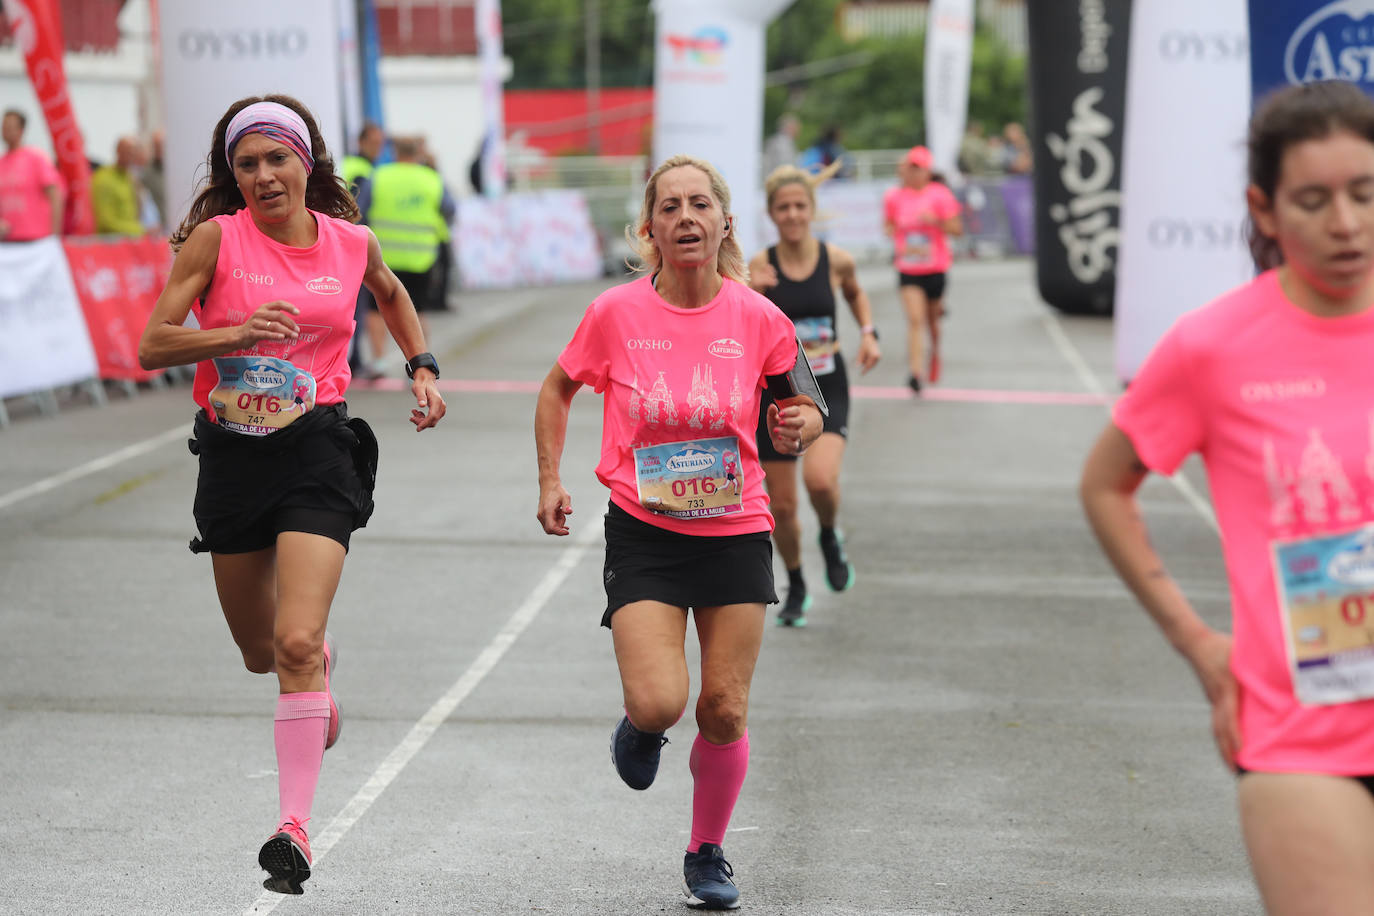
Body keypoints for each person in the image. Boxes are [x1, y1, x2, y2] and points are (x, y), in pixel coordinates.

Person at [136, 94, 446, 896]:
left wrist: (422, 366)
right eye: (247, 164)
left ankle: (294, 831)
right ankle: (314, 669)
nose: (264, 175)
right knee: (259, 652)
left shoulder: (352, 240)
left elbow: (392, 291)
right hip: (234, 454)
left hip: (318, 447)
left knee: (296, 644)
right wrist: (232, 334)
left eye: (277, 158)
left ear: (306, 160)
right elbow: (152, 343)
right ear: (231, 176)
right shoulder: (216, 239)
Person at [1080, 80, 1374, 916]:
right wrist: (1200, 644)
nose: (1346, 222)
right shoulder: (1216, 348)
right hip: (1303, 738)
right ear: (1267, 208)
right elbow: (1106, 485)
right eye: (1314, 200)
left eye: (1365, 193)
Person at [534, 154, 824, 910]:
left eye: (700, 204)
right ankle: (640, 726)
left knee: (724, 708)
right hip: (647, 533)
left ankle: (707, 852)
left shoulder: (759, 316)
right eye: (671, 207)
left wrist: (805, 420)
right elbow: (558, 387)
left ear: (725, 222)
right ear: (650, 227)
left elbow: (809, 396)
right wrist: (550, 478)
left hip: (736, 529)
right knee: (664, 702)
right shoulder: (616, 313)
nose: (686, 217)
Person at [748, 163, 880, 626]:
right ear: (771, 213)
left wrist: (868, 333)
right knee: (780, 506)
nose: (792, 214)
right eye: (782, 207)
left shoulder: (836, 259)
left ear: (811, 209)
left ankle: (828, 533)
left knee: (820, 481)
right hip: (776, 393)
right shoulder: (758, 267)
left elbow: (855, 293)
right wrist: (750, 290)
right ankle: (797, 582)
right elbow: (736, 317)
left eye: (799, 205)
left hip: (825, 384)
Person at [356, 134, 455, 372]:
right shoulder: (432, 179)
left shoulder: (378, 176)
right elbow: (449, 210)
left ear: (395, 152)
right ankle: (421, 365)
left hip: (383, 258)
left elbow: (361, 212)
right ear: (418, 153)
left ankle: (379, 361)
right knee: (418, 310)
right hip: (421, 258)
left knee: (375, 309)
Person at [883, 145, 962, 393]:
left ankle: (935, 352)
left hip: (935, 268)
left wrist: (935, 222)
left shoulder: (940, 195)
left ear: (927, 171)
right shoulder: (894, 196)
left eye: (919, 169)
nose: (914, 173)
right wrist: (897, 233)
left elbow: (957, 230)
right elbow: (888, 226)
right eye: (911, 168)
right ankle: (915, 372)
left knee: (932, 323)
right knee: (915, 320)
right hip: (908, 269)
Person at [0, 108, 63, 241]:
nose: (5, 131)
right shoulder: (1, 162)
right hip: (8, 239)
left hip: (36, 239)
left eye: (10, 127)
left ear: (21, 130)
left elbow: (55, 196)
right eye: (4, 127)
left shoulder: (36, 158)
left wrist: (55, 235)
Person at [91, 136, 149, 237]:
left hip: (131, 242)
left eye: (133, 153)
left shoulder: (130, 178)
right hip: (110, 244)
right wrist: (140, 230)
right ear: (118, 151)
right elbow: (106, 221)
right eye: (128, 152)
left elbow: (135, 213)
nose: (131, 156)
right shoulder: (103, 178)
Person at [341, 121, 384, 197]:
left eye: (379, 143)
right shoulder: (360, 171)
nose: (377, 148)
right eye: (373, 143)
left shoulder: (349, 162)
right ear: (361, 142)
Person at [762, 112, 800, 177]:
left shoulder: (775, 141)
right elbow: (787, 168)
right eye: (796, 127)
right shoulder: (783, 144)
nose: (798, 131)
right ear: (790, 127)